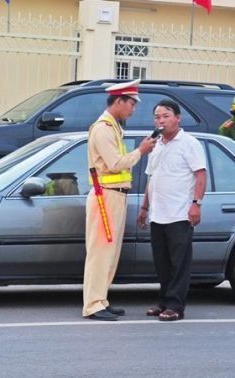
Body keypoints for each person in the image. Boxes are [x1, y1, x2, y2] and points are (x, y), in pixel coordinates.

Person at [83, 79, 156, 321]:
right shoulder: (103, 128)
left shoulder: (113, 127)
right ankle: (93, 304)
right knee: (100, 252)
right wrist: (141, 151)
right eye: (131, 104)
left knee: (110, 253)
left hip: (115, 196)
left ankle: (101, 299)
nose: (133, 109)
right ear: (119, 101)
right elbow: (115, 164)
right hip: (106, 196)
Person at [137, 99, 206, 321]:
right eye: (157, 117)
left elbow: (200, 175)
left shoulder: (189, 143)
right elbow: (151, 178)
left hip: (179, 213)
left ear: (178, 118)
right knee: (162, 262)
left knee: (179, 262)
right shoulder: (155, 146)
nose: (161, 120)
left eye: (166, 116)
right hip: (158, 213)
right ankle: (165, 300)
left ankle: (176, 306)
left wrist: (196, 203)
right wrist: (145, 208)